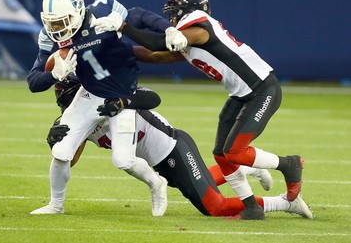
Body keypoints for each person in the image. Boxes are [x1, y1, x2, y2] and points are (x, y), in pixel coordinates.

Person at [96, 0, 305, 220]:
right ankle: (252, 207)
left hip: (262, 89)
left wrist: (124, 28)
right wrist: (115, 50)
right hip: (241, 94)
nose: (171, 18)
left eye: (175, 12)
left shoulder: (199, 27)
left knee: (235, 151)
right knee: (221, 154)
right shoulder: (188, 37)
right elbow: (154, 55)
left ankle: (289, 164)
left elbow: (157, 45)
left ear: (189, 10)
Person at [45, 77, 313, 219]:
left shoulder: (113, 96)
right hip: (159, 162)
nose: (67, 105)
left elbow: (152, 97)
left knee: (213, 207)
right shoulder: (75, 120)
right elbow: (70, 158)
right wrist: (55, 141)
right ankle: (245, 169)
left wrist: (122, 101)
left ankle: (284, 204)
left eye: (69, 98)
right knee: (199, 185)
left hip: (174, 147)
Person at [27, 0, 185, 216]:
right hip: (88, 93)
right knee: (61, 152)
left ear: (79, 11)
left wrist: (169, 30)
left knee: (123, 160)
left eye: (63, 21)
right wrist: (54, 75)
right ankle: (56, 204)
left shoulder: (104, 10)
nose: (57, 28)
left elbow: (140, 15)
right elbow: (33, 81)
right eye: (53, 23)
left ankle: (156, 183)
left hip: (120, 93)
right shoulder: (50, 37)